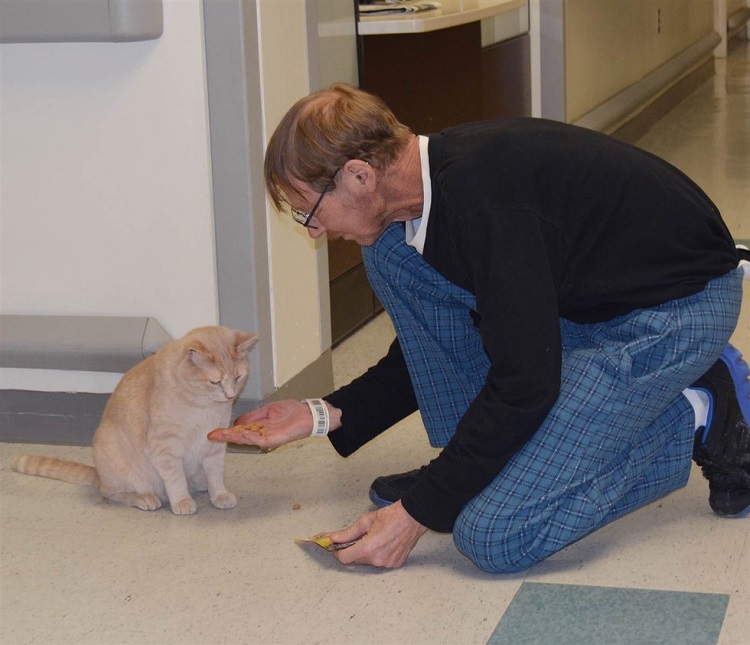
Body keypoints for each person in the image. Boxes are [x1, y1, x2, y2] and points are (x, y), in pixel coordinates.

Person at [209, 83, 750, 573]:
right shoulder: (429, 197)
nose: (315, 231)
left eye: (310, 212)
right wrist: (318, 414)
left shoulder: (486, 209)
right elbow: (452, 341)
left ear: (359, 175)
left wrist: (418, 513)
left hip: (670, 315)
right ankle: (483, 464)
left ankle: (696, 407)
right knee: (389, 256)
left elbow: (524, 383)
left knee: (495, 535)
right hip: (585, 308)